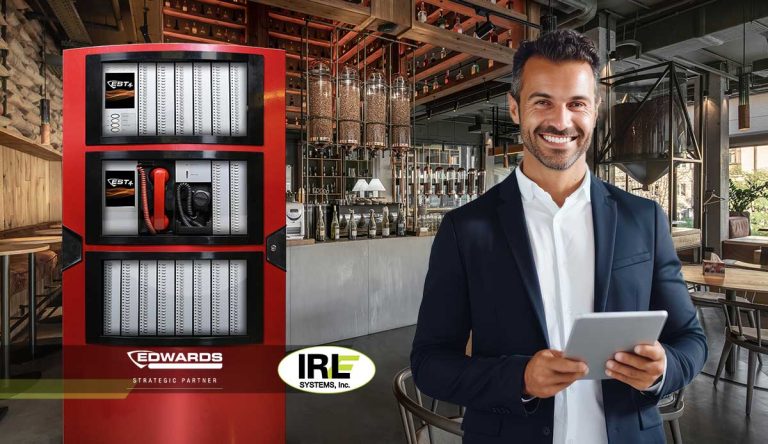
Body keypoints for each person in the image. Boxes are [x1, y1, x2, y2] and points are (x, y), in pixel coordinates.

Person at [410, 29, 707, 444]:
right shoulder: (465, 229)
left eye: (576, 104)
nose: (561, 120)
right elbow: (429, 363)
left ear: (595, 110)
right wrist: (520, 379)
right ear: (515, 108)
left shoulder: (644, 219)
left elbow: (690, 340)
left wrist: (663, 370)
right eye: (542, 101)